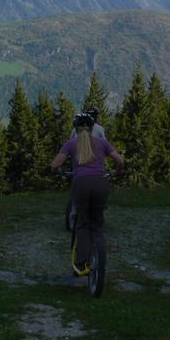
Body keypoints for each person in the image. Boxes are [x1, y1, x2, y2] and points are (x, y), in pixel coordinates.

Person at [51, 112, 124, 276]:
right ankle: (100, 257)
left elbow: (54, 165)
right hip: (100, 183)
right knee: (97, 224)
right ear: (92, 128)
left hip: (80, 184)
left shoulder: (70, 144)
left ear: (76, 129)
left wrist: (60, 172)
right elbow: (120, 161)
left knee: (82, 223)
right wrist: (115, 172)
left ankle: (80, 264)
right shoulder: (102, 142)